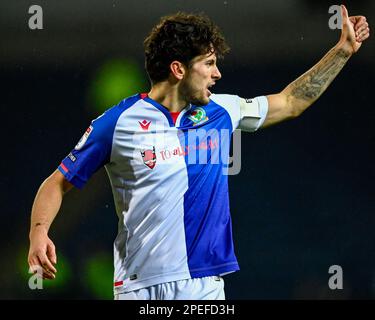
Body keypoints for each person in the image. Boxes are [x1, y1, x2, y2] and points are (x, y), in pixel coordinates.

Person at [28, 6, 369, 300]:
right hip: (139, 285)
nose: (217, 73)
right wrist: (39, 233)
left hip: (202, 286)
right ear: (179, 69)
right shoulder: (117, 123)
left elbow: (291, 101)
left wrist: (341, 51)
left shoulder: (223, 111)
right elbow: (56, 183)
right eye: (208, 64)